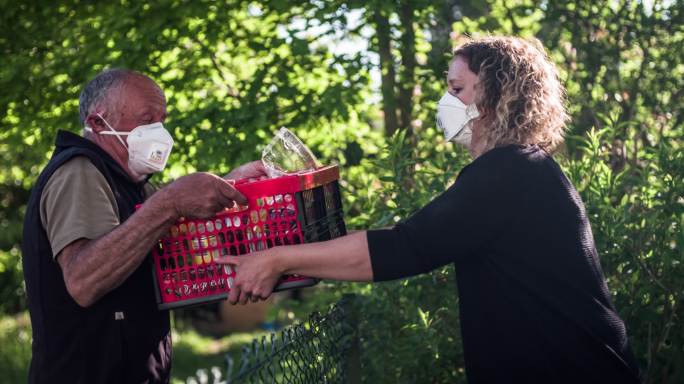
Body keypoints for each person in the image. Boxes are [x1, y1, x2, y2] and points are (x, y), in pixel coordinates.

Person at [217, 37, 642, 383]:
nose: (445, 99)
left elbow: (403, 248)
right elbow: (412, 238)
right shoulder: (520, 167)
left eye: (457, 88)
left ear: (495, 92)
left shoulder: (507, 173)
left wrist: (278, 258)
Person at [21, 68, 265, 383]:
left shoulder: (133, 183)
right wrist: (170, 202)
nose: (160, 133)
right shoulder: (79, 171)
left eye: (162, 121)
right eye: (147, 120)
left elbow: (173, 236)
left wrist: (228, 185)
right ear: (98, 123)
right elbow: (83, 281)